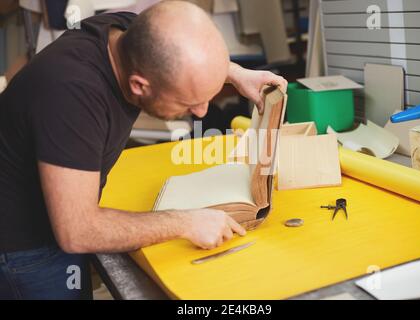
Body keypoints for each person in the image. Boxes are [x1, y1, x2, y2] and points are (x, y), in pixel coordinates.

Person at [0, 1, 287, 299]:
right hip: (24, 250)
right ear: (139, 85)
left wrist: (237, 73)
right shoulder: (71, 97)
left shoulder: (129, 34)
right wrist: (185, 222)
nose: (202, 113)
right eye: (188, 103)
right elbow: (78, 231)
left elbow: (178, 48)